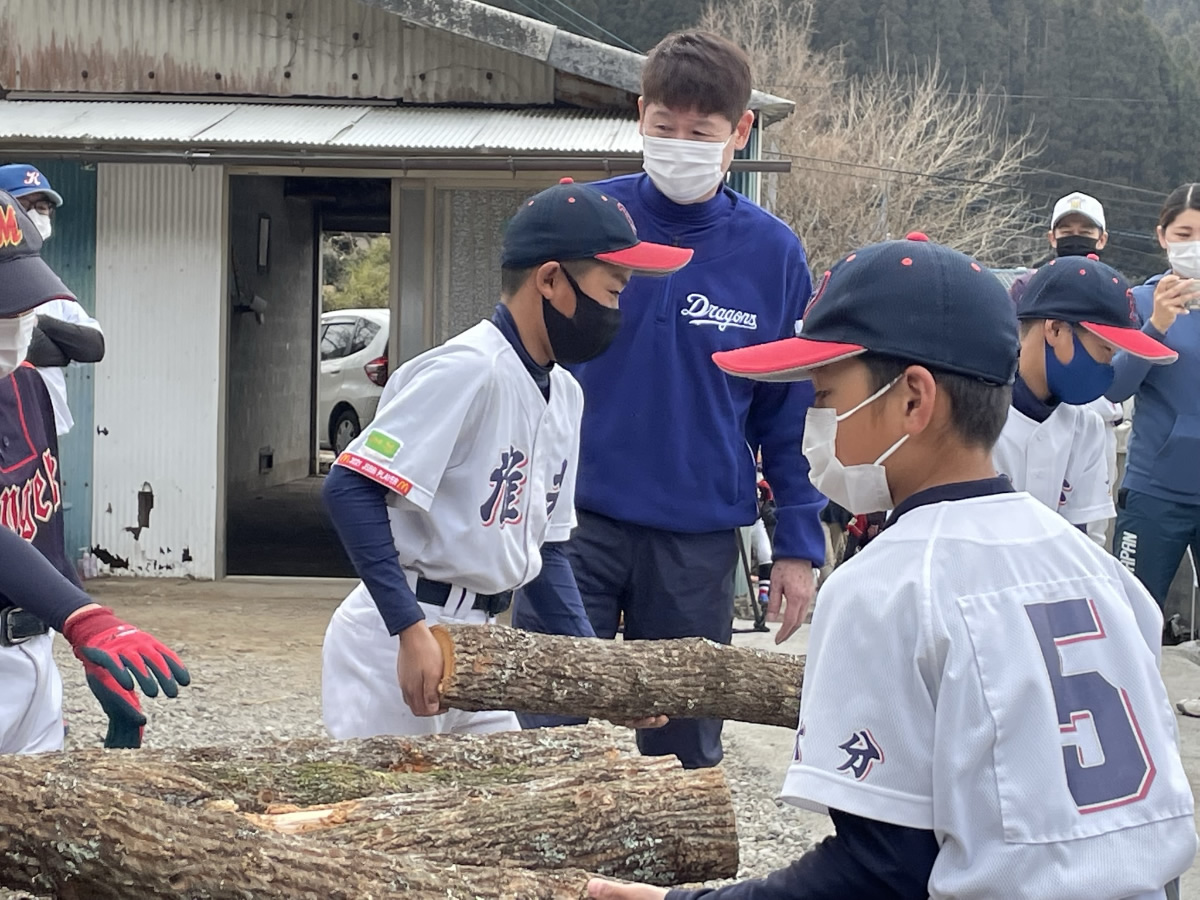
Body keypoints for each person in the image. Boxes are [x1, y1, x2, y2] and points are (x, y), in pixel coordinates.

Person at [587, 233, 1196, 900]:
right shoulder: (1103, 575)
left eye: (823, 396)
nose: (811, 425)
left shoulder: (888, 583)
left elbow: (879, 874)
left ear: (913, 398)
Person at [512, 31, 827, 770]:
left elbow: (784, 417)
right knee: (549, 732)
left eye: (701, 133)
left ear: (739, 131)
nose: (679, 144)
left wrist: (798, 546)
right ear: (639, 112)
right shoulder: (592, 225)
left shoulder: (773, 254)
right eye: (664, 127)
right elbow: (520, 361)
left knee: (681, 745)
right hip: (569, 528)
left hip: (695, 540)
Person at [319, 179, 691, 739]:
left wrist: (602, 676)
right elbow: (349, 487)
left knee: (497, 808)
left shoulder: (565, 394)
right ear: (549, 279)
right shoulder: (468, 368)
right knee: (382, 819)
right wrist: (408, 627)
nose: (618, 308)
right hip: (399, 629)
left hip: (484, 642)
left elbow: (547, 554)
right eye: (612, 290)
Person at [0, 191, 189, 752]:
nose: (16, 323)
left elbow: (42, 528)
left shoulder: (27, 386)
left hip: (30, 658)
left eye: (21, 306)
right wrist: (82, 616)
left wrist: (85, 639)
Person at [994, 255, 1176, 546]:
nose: (1110, 364)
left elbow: (1082, 546)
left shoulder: (1087, 425)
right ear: (1054, 329)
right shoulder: (971, 414)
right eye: (1105, 349)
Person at [1107, 183, 1200, 662]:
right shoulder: (1139, 303)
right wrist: (1156, 326)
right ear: (1162, 236)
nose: (1195, 244)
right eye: (1185, 232)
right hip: (1155, 490)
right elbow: (1115, 387)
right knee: (1133, 613)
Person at [0, 164, 105, 435]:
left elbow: (93, 346)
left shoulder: (44, 278)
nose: (36, 213)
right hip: (9, 429)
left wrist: (40, 322)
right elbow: (23, 350)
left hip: (48, 429)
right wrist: (60, 350)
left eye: (43, 206)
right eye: (25, 204)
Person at [1009, 191, 1110, 305]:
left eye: (1085, 233)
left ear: (1102, 240)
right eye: (1067, 233)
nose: (1075, 238)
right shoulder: (1028, 286)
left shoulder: (1112, 289)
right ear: (1052, 238)